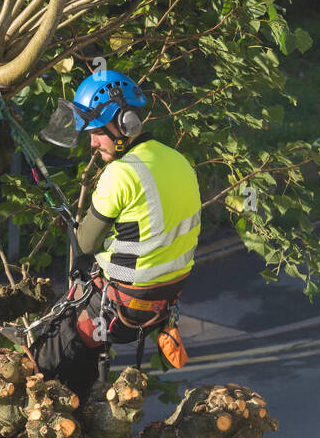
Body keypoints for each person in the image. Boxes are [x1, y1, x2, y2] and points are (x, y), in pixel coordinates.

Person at [30, 69, 201, 398]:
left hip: (122, 307)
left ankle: (63, 419)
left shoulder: (120, 174)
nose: (92, 143)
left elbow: (86, 242)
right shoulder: (179, 160)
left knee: (45, 353)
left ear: (126, 124)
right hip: (162, 304)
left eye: (96, 133)